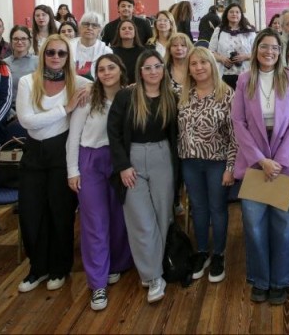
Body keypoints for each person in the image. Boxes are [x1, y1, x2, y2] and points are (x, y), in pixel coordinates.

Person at [231, 29, 289, 305]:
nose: (269, 52)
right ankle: (261, 280)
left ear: (280, 52)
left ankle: (282, 280)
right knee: (254, 225)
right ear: (256, 50)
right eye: (264, 47)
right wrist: (260, 159)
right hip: (255, 162)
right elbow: (238, 123)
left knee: (285, 225)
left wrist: (279, 160)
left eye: (275, 48)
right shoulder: (244, 80)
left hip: (286, 162)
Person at [15, 34, 91, 293]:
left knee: (61, 213)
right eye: (51, 53)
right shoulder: (28, 81)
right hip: (34, 153)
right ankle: (38, 267)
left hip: (62, 152)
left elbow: (106, 85)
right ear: (42, 55)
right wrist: (65, 109)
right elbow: (26, 121)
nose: (56, 57)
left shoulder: (80, 83)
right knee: (31, 212)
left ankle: (60, 267)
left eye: (61, 53)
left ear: (68, 57)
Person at [108, 49, 178, 304]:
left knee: (162, 217)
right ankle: (153, 275)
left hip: (162, 157)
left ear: (163, 69)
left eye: (157, 66)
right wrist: (123, 165)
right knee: (141, 221)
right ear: (140, 71)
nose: (153, 72)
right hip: (133, 160)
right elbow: (113, 133)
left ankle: (157, 266)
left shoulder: (171, 97)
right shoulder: (126, 96)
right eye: (147, 67)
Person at [66, 53, 133, 311]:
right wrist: (73, 170)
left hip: (119, 161)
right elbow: (74, 136)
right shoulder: (88, 96)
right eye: (101, 69)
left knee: (119, 218)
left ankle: (116, 264)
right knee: (94, 221)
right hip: (90, 160)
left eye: (111, 67)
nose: (106, 73)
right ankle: (97, 283)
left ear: (120, 69)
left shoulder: (128, 96)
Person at [178, 47, 236, 283]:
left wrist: (230, 168)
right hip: (189, 162)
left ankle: (219, 253)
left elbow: (236, 136)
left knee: (217, 208)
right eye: (193, 64)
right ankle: (202, 251)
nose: (199, 67)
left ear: (212, 64)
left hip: (217, 162)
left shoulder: (227, 94)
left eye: (203, 62)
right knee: (199, 209)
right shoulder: (183, 94)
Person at [209, 3, 256, 89]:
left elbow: (257, 53)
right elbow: (210, 52)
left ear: (241, 15)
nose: (234, 14)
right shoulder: (219, 30)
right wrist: (222, 58)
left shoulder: (249, 31)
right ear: (226, 14)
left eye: (237, 12)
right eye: (231, 12)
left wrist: (245, 57)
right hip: (224, 74)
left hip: (246, 74)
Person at [72, 12, 111, 80]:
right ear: (80, 27)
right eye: (86, 24)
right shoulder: (69, 46)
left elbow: (108, 76)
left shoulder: (106, 51)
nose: (90, 28)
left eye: (94, 25)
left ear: (99, 30)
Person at [7, 25, 38, 97]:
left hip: (33, 105)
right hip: (11, 106)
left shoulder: (38, 62)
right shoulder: (4, 63)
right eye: (16, 39)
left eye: (23, 39)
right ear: (11, 41)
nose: (19, 42)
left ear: (29, 41)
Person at [112, 19, 144, 87]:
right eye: (123, 29)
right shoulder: (111, 51)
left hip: (138, 87)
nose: (127, 30)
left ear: (135, 32)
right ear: (119, 32)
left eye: (130, 28)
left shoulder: (143, 52)